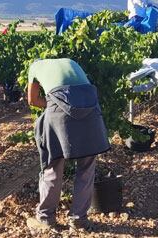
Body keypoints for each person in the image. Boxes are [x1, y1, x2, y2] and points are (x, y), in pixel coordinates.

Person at [25, 58, 110, 231]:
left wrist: (53, 105)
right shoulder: (70, 61)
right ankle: (79, 220)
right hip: (90, 107)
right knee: (86, 168)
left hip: (59, 109)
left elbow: (32, 100)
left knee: (53, 162)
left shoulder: (34, 67)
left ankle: (46, 218)